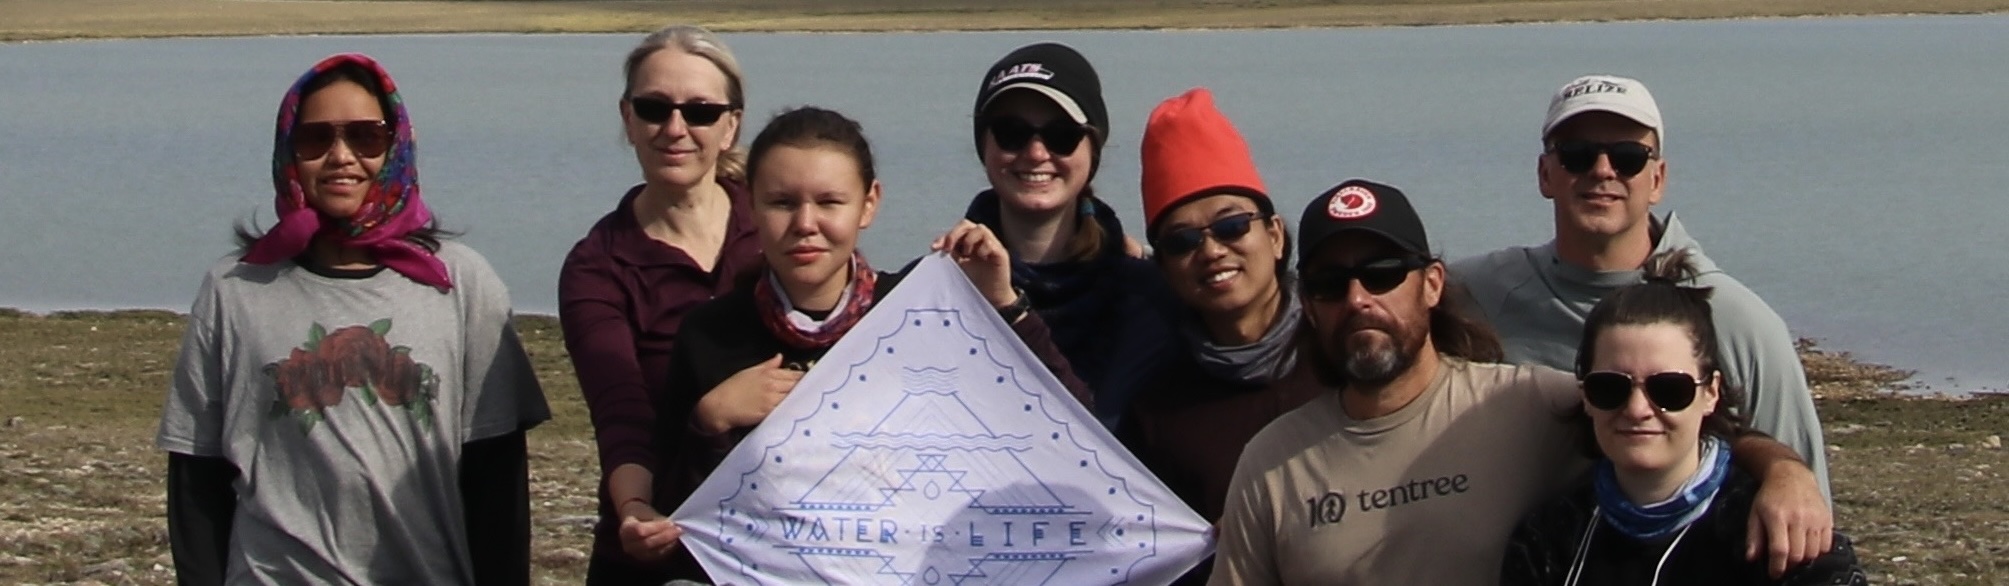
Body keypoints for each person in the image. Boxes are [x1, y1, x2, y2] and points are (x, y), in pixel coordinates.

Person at [1208, 179, 1831, 585]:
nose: (1358, 298)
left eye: (1382, 273)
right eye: (1328, 284)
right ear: (1308, 306)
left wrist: (1784, 473)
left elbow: (1670, 422)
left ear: (1431, 285)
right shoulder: (1272, 464)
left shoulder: (1532, 402)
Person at [612, 106, 1094, 581]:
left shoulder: (915, 315)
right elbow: (677, 526)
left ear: (868, 204)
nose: (805, 223)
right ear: (751, 205)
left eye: (828, 202)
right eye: (782, 202)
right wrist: (710, 421)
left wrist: (1004, 304)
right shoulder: (710, 334)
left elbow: (1075, 430)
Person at [156, 53, 550, 585]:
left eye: (366, 137)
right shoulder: (235, 289)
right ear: (289, 153)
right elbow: (196, 476)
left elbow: (496, 478)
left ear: (397, 147)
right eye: (317, 139)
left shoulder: (460, 284)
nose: (341, 157)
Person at [1450, 74, 1830, 500]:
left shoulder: (1737, 321)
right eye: (1576, 155)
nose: (1602, 171)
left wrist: (1787, 476)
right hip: (1542, 558)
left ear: (1658, 179)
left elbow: (1802, 495)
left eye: (1628, 157)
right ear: (1544, 174)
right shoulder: (1476, 294)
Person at [1500, 251, 1866, 585]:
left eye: (1668, 389)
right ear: (1586, 396)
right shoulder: (1548, 541)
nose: (1638, 409)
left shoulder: (1777, 530)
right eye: (1610, 388)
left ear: (1711, 392)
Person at [555, 25, 764, 583]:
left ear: (731, 125)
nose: (675, 129)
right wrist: (634, 510)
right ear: (627, 119)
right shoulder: (598, 264)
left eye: (699, 112)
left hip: (783, 547)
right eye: (654, 108)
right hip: (662, 546)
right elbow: (620, 411)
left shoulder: (781, 225)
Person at [1115, 87, 1320, 586]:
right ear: (1162, 268)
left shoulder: (1345, 351)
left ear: (1274, 234)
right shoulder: (1156, 410)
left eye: (1231, 226)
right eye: (1183, 241)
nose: (1211, 252)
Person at [963, 41, 1181, 427]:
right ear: (984, 146)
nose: (1035, 153)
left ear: (1092, 151)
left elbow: (1089, 439)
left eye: (1061, 135)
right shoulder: (938, 287)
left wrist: (1008, 310)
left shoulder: (1147, 296)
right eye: (1011, 133)